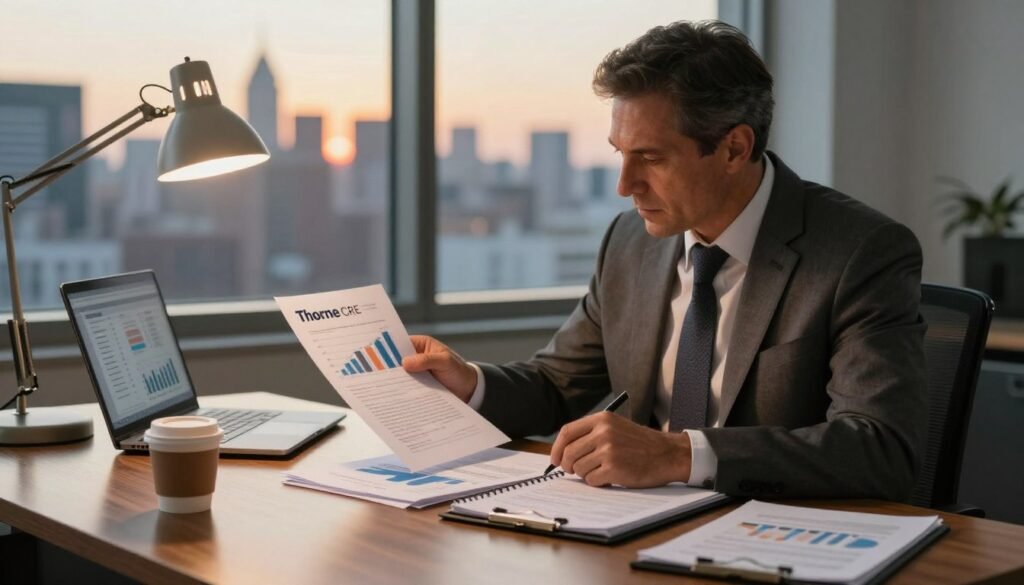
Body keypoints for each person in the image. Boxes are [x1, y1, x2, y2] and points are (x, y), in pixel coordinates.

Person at [403, 20, 926, 500]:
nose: (624, 185)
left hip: (775, 533)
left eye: (650, 158)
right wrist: (469, 381)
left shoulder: (860, 251)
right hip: (638, 524)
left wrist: (679, 454)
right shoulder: (631, 240)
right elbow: (559, 385)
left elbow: (880, 447)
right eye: (619, 154)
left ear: (733, 149)